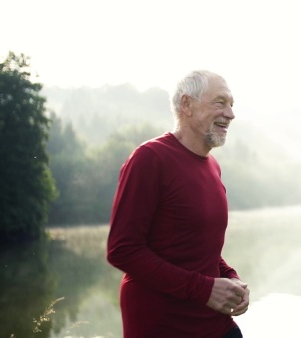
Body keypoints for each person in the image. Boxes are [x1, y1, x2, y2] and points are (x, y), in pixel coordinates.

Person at [107, 70, 249, 338]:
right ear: (186, 105)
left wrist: (230, 278)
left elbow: (196, 246)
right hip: (162, 324)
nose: (230, 114)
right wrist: (204, 289)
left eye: (231, 105)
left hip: (213, 322)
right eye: (220, 102)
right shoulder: (149, 159)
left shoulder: (213, 167)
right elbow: (123, 250)